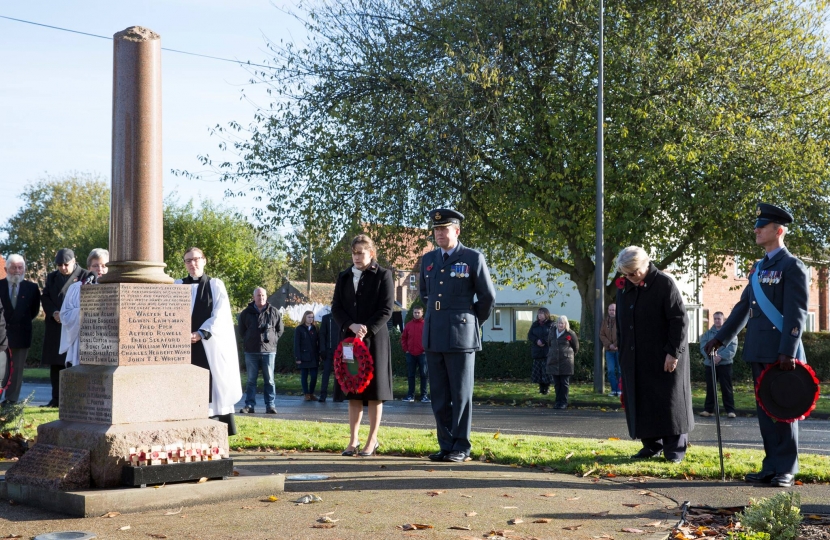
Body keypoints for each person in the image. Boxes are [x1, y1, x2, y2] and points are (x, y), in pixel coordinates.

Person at [704, 203, 808, 488]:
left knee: (784, 411)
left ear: (779, 230)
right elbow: (742, 309)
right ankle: (771, 465)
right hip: (759, 350)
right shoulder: (759, 267)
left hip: (781, 353)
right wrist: (720, 338)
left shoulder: (792, 265)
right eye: (757, 225)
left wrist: (788, 350)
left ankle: (786, 468)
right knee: (765, 413)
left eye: (763, 226)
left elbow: (796, 312)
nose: (756, 230)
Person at [420, 209, 496, 463]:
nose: (439, 233)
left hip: (461, 335)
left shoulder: (473, 258)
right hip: (434, 333)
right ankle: (446, 445)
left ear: (457, 231)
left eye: (445, 229)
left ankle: (461, 446)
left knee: (460, 394)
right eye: (436, 230)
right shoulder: (428, 259)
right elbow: (425, 295)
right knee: (439, 395)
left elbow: (487, 297)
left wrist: (473, 321)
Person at [616, 245, 694, 464]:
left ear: (645, 265)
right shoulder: (624, 288)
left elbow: (679, 320)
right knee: (643, 401)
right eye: (626, 274)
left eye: (633, 273)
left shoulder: (664, 283)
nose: (630, 278)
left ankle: (674, 450)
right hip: (636, 357)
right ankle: (651, 445)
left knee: (669, 403)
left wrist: (673, 352)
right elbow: (622, 323)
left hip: (664, 356)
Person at [331, 234, 394, 457]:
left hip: (374, 341)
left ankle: (372, 440)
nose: (356, 257)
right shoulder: (344, 276)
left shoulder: (384, 275)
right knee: (353, 390)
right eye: (354, 253)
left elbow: (386, 310)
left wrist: (366, 328)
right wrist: (351, 325)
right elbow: (336, 308)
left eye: (361, 252)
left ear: (371, 253)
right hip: (349, 340)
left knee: (375, 392)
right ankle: (353, 440)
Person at [176, 247, 242, 436]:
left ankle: (217, 430)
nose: (192, 264)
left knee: (213, 384)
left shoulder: (215, 285)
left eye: (196, 259)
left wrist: (201, 333)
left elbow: (221, 314)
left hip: (207, 344)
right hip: (183, 347)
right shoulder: (178, 285)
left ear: (204, 260)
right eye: (188, 261)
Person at [40, 248, 89, 407]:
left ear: (74, 261)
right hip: (56, 325)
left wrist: (67, 315)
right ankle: (56, 399)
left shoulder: (85, 276)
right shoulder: (52, 277)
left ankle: (73, 400)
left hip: (74, 327)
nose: (62, 267)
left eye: (66, 264)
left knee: (72, 363)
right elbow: (45, 296)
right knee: (56, 365)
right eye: (59, 265)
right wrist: (55, 312)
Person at [0, 255, 41, 405]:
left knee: (16, 371)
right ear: (6, 269)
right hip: (0, 335)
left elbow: (34, 311)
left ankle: (11, 400)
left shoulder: (32, 288)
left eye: (20, 267)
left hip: (21, 335)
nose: (17, 271)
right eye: (13, 267)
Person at [59, 249, 109, 368]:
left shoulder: (117, 288)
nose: (100, 269)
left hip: (108, 344)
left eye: (104, 266)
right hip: (82, 342)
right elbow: (64, 315)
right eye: (95, 265)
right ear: (89, 268)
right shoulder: (76, 288)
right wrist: (83, 311)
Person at [238, 287, 283, 415]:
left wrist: (272, 341)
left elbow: (280, 330)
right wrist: (249, 339)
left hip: (269, 352)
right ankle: (249, 405)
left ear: (266, 296)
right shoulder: (246, 313)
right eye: (258, 295)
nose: (261, 297)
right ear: (254, 297)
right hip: (251, 352)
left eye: (263, 295)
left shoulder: (274, 312)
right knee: (251, 380)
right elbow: (242, 331)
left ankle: (270, 406)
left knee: (269, 380)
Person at [697, 311, 737, 418]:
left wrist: (720, 357)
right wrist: (712, 357)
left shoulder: (730, 333)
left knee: (726, 388)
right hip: (710, 365)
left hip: (725, 365)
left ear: (723, 319)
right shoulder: (708, 334)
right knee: (711, 387)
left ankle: (730, 411)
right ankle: (708, 410)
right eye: (715, 319)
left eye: (719, 319)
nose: (717, 321)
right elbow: (703, 348)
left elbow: (732, 348)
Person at [546, 315, 579, 409]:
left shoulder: (570, 333)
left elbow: (576, 347)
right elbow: (549, 343)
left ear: (566, 324)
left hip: (566, 362)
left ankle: (564, 402)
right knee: (556, 383)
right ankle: (558, 401)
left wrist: (568, 355)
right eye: (559, 323)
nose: (560, 325)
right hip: (553, 361)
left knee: (564, 383)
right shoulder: (552, 332)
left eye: (562, 323)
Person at [401, 305, 429, 403]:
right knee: (411, 375)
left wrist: (427, 350)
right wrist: (406, 350)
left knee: (424, 375)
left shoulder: (426, 324)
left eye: (418, 312)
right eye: (414, 312)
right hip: (411, 354)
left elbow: (430, 337)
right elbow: (403, 338)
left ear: (422, 313)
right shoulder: (408, 325)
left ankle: (424, 396)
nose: (416, 314)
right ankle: (410, 396)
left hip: (423, 354)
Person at [318, 311, 345, 403]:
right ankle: (323, 395)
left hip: (340, 350)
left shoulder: (344, 318)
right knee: (326, 373)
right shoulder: (327, 318)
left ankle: (338, 395)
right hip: (328, 350)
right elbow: (322, 334)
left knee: (340, 373)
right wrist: (322, 349)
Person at [294, 310, 321, 401]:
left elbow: (319, 342)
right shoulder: (299, 329)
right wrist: (298, 357)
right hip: (303, 355)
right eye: (309, 317)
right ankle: (306, 394)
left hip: (314, 355)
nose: (311, 319)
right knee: (304, 376)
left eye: (312, 317)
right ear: (305, 317)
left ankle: (311, 393)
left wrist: (320, 354)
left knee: (314, 376)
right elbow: (296, 344)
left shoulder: (315, 328)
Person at [527, 307, 553, 395]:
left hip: (547, 350)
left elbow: (552, 335)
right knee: (539, 371)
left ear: (546, 314)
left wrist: (543, 341)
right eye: (538, 314)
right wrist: (536, 340)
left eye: (541, 313)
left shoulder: (551, 324)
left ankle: (547, 388)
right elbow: (530, 335)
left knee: (546, 371)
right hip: (537, 351)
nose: (540, 315)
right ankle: (541, 388)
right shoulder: (535, 324)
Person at [599, 303, 620, 396]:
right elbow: (601, 335)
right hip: (609, 351)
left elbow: (622, 334)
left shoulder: (620, 321)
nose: (612, 311)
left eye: (614, 310)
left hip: (619, 350)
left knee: (620, 371)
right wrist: (609, 345)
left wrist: (615, 344)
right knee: (611, 371)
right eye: (610, 310)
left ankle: (620, 390)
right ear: (608, 311)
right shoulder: (604, 322)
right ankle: (613, 389)